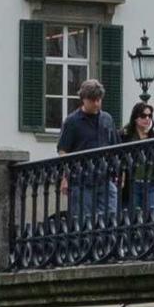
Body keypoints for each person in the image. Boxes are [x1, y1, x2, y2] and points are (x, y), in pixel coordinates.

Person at [55, 77, 120, 215]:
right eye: (92, 100)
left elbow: (115, 147)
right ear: (83, 99)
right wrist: (65, 177)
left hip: (105, 177)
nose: (96, 104)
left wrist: (119, 173)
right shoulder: (72, 121)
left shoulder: (107, 119)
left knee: (110, 222)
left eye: (99, 100)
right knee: (83, 224)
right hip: (81, 180)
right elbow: (63, 151)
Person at [118, 97, 154, 214]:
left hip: (152, 183)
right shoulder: (125, 137)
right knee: (132, 217)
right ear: (136, 118)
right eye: (143, 116)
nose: (147, 119)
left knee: (152, 217)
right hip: (132, 184)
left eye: (149, 116)